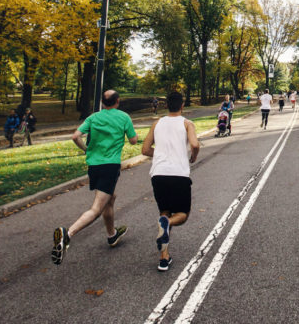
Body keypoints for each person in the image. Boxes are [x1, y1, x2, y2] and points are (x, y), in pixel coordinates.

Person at [51, 90, 138, 265]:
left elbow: (75, 136)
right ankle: (67, 235)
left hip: (94, 165)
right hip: (110, 166)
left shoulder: (93, 117)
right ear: (118, 101)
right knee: (97, 208)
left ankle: (111, 235)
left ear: (102, 102)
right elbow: (134, 141)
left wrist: (86, 149)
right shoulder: (123, 117)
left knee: (110, 199)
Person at [142, 91, 200, 271]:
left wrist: (159, 154)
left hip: (158, 174)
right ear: (182, 106)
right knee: (181, 215)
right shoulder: (187, 123)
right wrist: (193, 157)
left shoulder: (157, 123)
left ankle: (164, 258)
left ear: (166, 105)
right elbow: (195, 144)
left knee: (164, 212)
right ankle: (168, 225)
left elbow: (145, 149)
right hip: (179, 174)